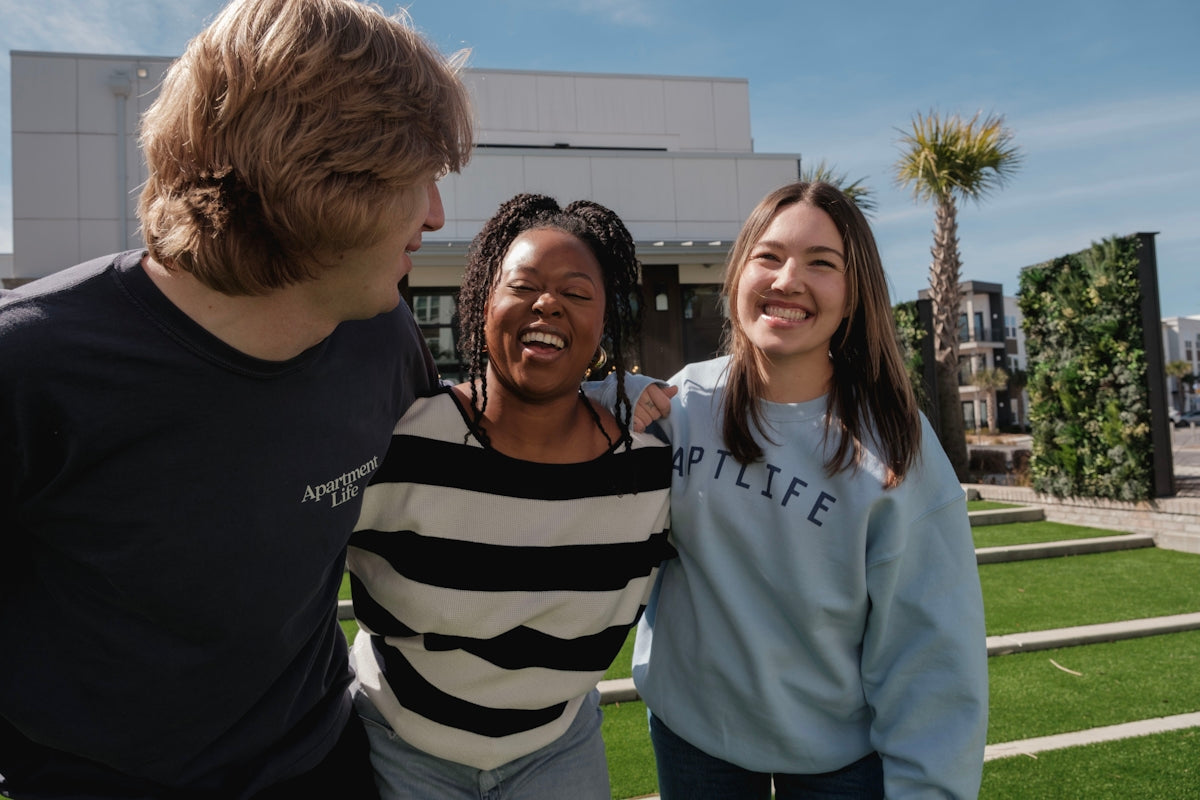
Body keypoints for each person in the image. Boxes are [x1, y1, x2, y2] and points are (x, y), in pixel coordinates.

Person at [0, 0, 472, 796]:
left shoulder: (383, 334)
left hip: (324, 765)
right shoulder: (30, 363)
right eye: (415, 179)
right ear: (321, 179)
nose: (436, 214)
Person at [615, 181, 988, 798]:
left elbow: (932, 650)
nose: (789, 280)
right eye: (769, 256)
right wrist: (610, 400)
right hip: (693, 738)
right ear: (737, 274)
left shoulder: (896, 442)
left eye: (822, 263)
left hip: (839, 760)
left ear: (854, 294)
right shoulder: (681, 402)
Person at [347, 193, 674, 800]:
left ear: (604, 323)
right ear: (482, 301)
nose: (547, 303)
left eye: (577, 294)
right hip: (396, 745)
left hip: (557, 751)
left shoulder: (648, 473)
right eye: (523, 286)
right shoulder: (404, 441)